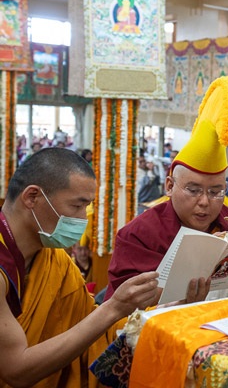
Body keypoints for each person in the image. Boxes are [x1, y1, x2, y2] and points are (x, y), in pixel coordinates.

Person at [105, 77, 228, 303]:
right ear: (169, 186)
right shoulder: (139, 235)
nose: (204, 202)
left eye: (215, 192)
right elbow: (124, 306)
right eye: (193, 190)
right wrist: (184, 297)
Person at [0, 148, 159, 387]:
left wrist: (157, 314)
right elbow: (16, 370)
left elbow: (87, 326)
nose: (83, 218)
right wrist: (114, 308)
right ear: (32, 197)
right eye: (77, 206)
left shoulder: (55, 260)